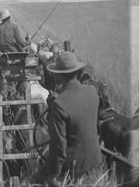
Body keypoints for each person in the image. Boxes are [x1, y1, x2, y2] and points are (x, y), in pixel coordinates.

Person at [31, 51, 102, 186]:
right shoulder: (92, 91)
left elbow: (59, 148)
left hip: (74, 166)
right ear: (78, 72)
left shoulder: (59, 105)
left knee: (34, 179)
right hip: (94, 159)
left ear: (58, 76)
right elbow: (78, 111)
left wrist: (54, 176)